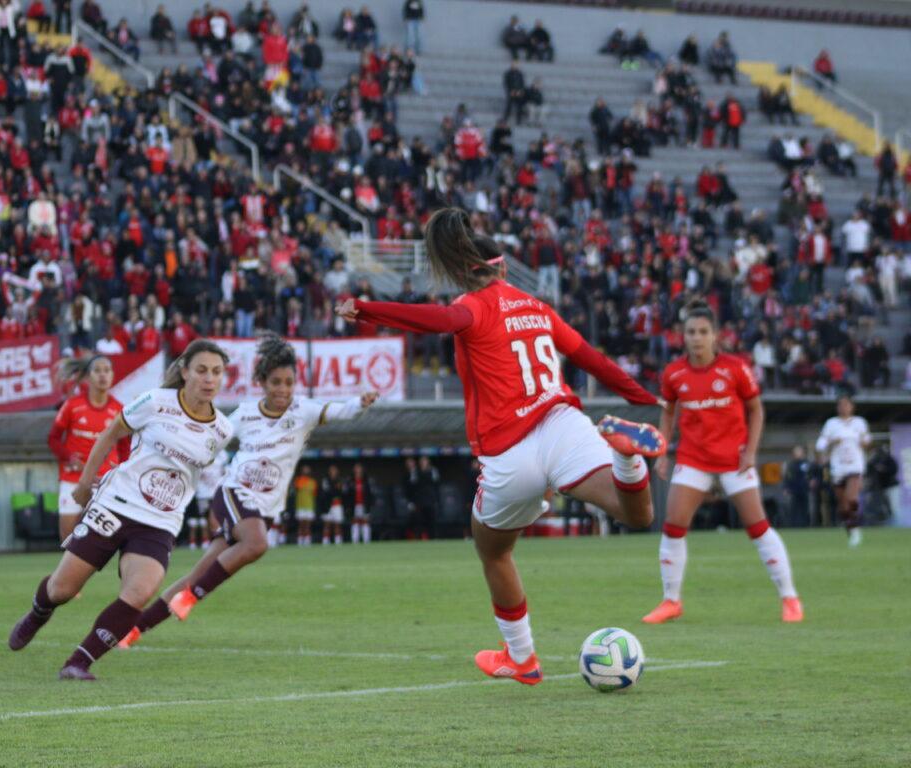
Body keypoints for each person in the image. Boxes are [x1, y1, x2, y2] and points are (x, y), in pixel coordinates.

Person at [335, 207, 666, 685]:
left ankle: (523, 659)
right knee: (637, 515)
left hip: (509, 450)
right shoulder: (538, 308)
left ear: (463, 275)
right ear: (504, 267)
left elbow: (435, 319)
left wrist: (365, 309)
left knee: (493, 551)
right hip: (562, 423)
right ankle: (625, 456)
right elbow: (593, 360)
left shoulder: (473, 307)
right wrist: (646, 400)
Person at [118, 336, 377, 647]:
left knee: (200, 572)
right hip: (233, 494)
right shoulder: (245, 414)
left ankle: (131, 631)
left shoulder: (303, 411)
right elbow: (209, 442)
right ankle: (191, 598)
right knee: (256, 544)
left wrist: (360, 404)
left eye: (289, 382)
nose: (282, 389)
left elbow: (340, 410)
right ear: (261, 382)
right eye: (275, 382)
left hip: (264, 509)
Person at [9, 341, 232, 681]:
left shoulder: (223, 430)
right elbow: (111, 432)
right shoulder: (157, 402)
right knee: (63, 590)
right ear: (185, 371)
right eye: (201, 370)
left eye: (216, 372)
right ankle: (40, 611)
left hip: (159, 523)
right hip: (116, 504)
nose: (209, 379)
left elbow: (201, 477)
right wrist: (84, 484)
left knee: (140, 591)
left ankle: (78, 663)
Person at [643, 301, 803, 626]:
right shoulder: (674, 373)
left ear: (715, 335)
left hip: (734, 459)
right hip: (692, 458)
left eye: (703, 332)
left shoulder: (735, 368)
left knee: (757, 527)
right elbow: (669, 412)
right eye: (691, 332)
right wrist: (662, 452)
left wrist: (751, 452)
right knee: (673, 526)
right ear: (682, 336)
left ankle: (789, 597)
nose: (697, 338)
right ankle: (671, 601)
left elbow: (756, 409)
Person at [46, 355, 129, 541]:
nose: (102, 375)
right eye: (97, 371)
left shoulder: (119, 410)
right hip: (73, 478)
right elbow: (53, 439)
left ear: (113, 376)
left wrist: (122, 473)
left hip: (104, 480)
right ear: (88, 377)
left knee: (103, 539)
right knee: (67, 539)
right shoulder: (72, 406)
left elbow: (125, 447)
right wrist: (68, 458)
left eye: (107, 371)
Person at [815, 395, 871, 547]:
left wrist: (864, 441)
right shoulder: (831, 424)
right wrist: (832, 442)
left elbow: (867, 442)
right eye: (841, 405)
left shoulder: (859, 423)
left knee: (852, 498)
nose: (844, 407)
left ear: (852, 407)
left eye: (847, 404)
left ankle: (857, 525)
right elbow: (820, 444)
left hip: (855, 465)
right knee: (843, 505)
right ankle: (852, 528)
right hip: (838, 467)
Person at [190, 450, 229, 549]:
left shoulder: (222, 455)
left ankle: (216, 540)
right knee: (203, 520)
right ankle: (205, 541)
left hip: (216, 493)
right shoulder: (199, 456)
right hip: (202, 494)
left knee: (217, 517)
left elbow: (226, 470)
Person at [320, 463, 348, 544]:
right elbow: (327, 492)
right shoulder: (325, 480)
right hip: (327, 505)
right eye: (331, 470)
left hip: (337, 505)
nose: (333, 472)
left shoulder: (341, 480)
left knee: (337, 524)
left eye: (334, 470)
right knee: (327, 525)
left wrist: (338, 489)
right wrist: (335, 488)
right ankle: (325, 542)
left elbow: (344, 492)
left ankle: (338, 541)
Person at [349, 462, 375, 543]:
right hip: (354, 505)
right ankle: (355, 541)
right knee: (355, 522)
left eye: (359, 468)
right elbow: (348, 494)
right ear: (354, 470)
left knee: (365, 521)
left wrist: (370, 504)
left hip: (364, 504)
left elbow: (370, 493)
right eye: (356, 468)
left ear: (362, 470)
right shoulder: (351, 481)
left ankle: (366, 541)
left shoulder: (367, 480)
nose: (358, 470)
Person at [293, 464, 318, 545]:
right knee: (301, 524)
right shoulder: (298, 480)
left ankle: (307, 541)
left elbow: (314, 494)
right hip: (300, 506)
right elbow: (296, 489)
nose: (305, 471)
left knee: (308, 525)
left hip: (309, 506)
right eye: (304, 469)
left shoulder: (313, 482)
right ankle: (300, 541)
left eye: (307, 469)